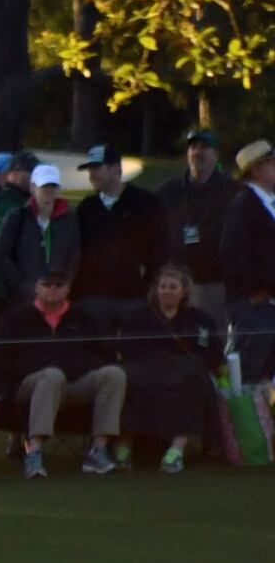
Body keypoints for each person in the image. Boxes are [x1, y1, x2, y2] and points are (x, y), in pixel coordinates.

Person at [0, 270, 125, 476]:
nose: (53, 288)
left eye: (59, 284)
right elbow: (0, 359)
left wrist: (67, 364)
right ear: (36, 287)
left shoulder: (83, 318)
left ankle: (98, 450)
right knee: (52, 375)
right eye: (47, 284)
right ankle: (34, 453)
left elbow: (100, 355)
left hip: (73, 385)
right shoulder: (17, 318)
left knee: (113, 374)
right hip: (28, 387)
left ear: (68, 288)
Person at [105, 266, 228, 473]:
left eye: (173, 287)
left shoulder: (201, 320)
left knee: (194, 385)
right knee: (128, 382)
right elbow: (126, 349)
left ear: (184, 291)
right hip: (146, 372)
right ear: (156, 289)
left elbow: (213, 355)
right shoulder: (139, 317)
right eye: (163, 286)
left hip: (184, 374)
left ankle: (176, 450)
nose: (168, 291)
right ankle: (124, 444)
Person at [68, 144, 167, 320]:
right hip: (93, 299)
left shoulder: (145, 203)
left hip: (133, 298)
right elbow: (76, 250)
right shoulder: (86, 207)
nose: (92, 174)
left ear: (115, 169)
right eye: (90, 169)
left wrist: (150, 287)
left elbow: (160, 248)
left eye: (97, 168)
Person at [217, 138, 275, 405]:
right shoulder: (244, 205)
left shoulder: (268, 203)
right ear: (256, 169)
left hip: (268, 303)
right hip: (254, 305)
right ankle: (247, 436)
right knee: (251, 372)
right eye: (271, 163)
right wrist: (257, 290)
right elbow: (233, 255)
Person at [154, 128, 238, 284]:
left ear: (216, 154)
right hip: (179, 282)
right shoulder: (168, 192)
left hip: (219, 282)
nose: (198, 152)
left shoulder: (233, 193)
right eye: (193, 147)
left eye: (204, 147)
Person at [0, 162, 82, 309]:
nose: (48, 190)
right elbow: (1, 256)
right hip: (24, 300)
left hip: (58, 300)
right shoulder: (17, 217)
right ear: (33, 187)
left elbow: (74, 255)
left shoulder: (69, 220)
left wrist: (62, 285)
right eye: (44, 186)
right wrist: (22, 285)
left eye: (53, 186)